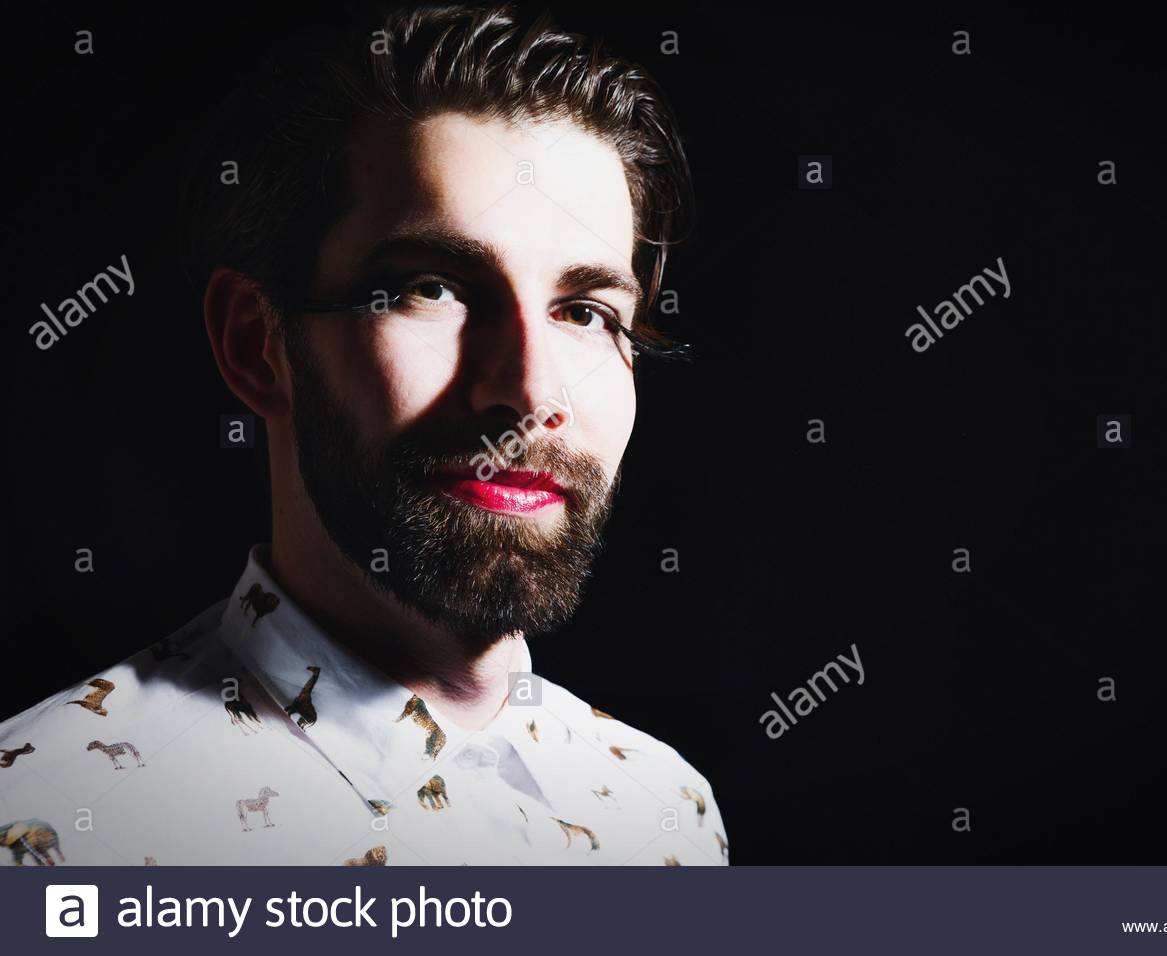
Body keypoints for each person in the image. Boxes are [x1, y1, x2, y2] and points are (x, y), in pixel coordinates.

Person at [0, 2, 727, 866]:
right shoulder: (47, 824)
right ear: (257, 342)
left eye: (585, 311)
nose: (529, 392)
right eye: (433, 288)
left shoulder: (668, 815)